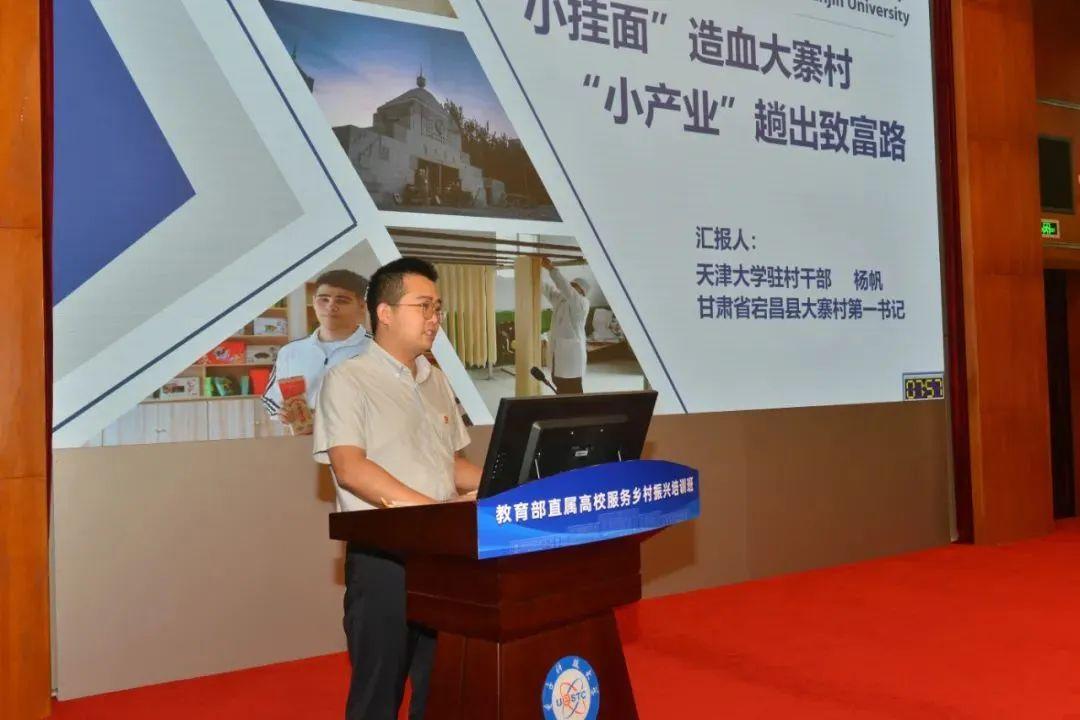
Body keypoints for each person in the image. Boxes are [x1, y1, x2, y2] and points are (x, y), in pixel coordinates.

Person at [313, 257, 482, 720]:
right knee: (378, 694)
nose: (434, 318)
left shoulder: (436, 379)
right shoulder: (348, 378)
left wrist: (508, 483)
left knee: (441, 687)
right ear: (384, 313)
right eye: (423, 306)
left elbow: (450, 465)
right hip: (385, 559)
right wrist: (434, 514)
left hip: (443, 554)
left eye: (438, 308)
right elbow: (350, 468)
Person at [262, 270, 371, 433]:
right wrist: (281, 412)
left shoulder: (382, 350)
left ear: (361, 306)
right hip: (304, 442)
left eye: (342, 300)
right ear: (313, 301)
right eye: (324, 299)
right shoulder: (290, 352)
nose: (330, 306)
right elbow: (270, 399)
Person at [540, 256, 591, 394]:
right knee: (559, 383)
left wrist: (551, 269)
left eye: (574, 286)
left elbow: (566, 288)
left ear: (581, 291)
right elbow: (547, 289)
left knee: (573, 389)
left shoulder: (582, 303)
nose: (570, 287)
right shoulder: (561, 300)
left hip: (572, 356)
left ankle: (576, 408)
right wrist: (532, 273)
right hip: (558, 353)